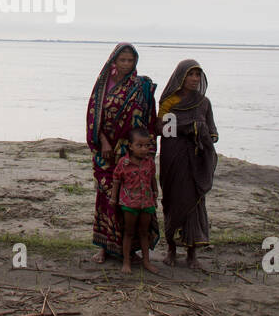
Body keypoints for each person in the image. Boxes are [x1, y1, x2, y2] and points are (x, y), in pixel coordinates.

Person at [85, 42, 159, 264]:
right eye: (123, 60)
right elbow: (94, 117)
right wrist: (104, 143)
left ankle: (133, 250)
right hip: (106, 154)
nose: (127, 64)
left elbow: (148, 120)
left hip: (133, 154)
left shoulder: (141, 86)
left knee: (134, 199)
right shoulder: (102, 86)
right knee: (107, 198)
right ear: (114, 61)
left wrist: (145, 149)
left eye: (131, 60)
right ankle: (105, 248)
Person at [158, 59, 218, 269]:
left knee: (194, 203)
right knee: (173, 200)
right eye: (190, 75)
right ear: (180, 77)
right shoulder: (169, 102)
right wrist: (187, 127)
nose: (194, 79)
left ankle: (192, 253)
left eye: (197, 75)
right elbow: (163, 130)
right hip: (174, 158)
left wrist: (204, 134)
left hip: (196, 159)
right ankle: (171, 249)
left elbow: (212, 130)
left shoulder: (204, 102)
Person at [112, 128, 160, 274]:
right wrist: (114, 199)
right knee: (129, 232)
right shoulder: (123, 163)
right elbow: (116, 180)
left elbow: (152, 179)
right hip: (129, 203)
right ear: (130, 146)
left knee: (144, 232)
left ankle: (146, 261)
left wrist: (155, 193)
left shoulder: (150, 162)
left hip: (146, 202)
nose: (143, 149)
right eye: (139, 145)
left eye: (146, 146)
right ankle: (126, 261)